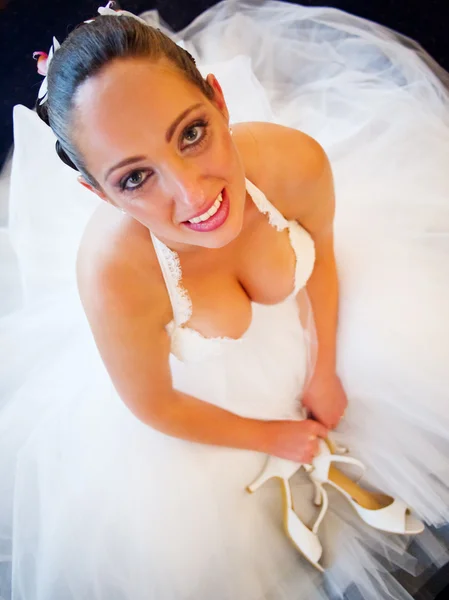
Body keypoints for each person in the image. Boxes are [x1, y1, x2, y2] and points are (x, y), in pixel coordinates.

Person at [1, 2, 449, 599]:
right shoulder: (114, 278)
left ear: (218, 100)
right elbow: (155, 406)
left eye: (192, 133)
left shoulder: (294, 162)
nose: (193, 196)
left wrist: (323, 369)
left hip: (304, 332)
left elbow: (322, 259)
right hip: (202, 403)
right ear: (97, 193)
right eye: (135, 178)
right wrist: (273, 436)